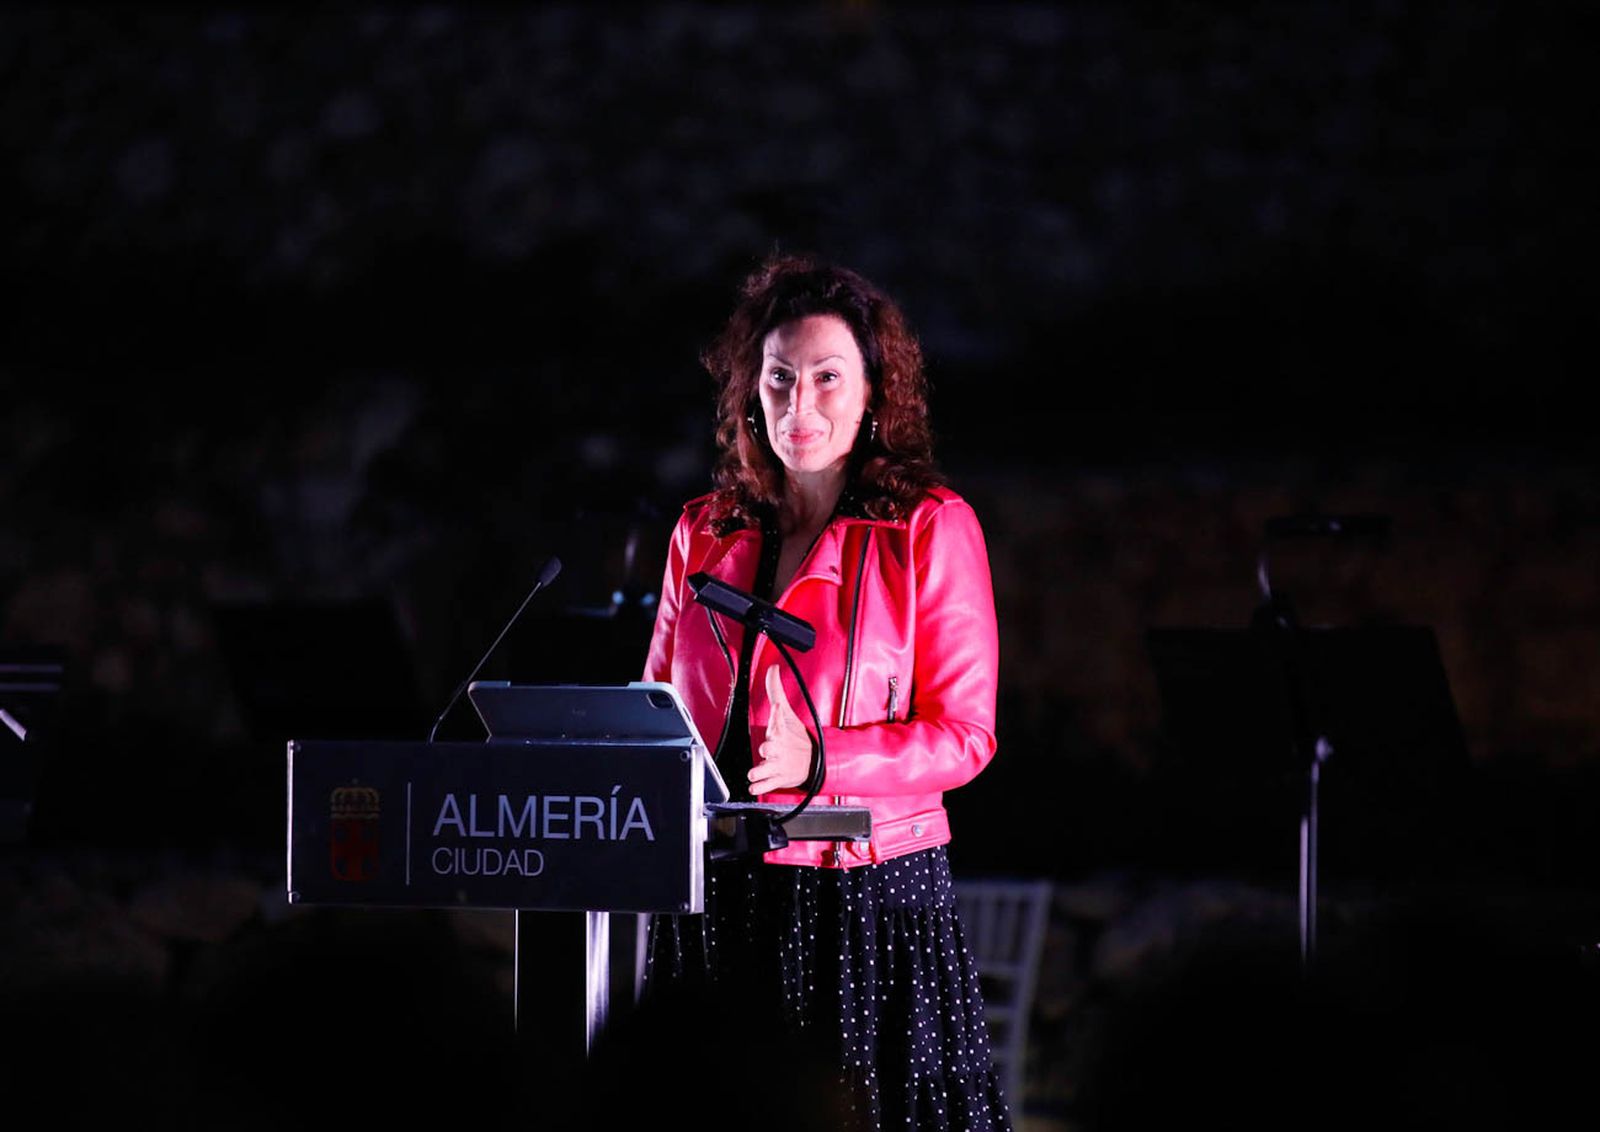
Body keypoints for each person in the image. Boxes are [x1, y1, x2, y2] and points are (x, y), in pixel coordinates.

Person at [638, 252, 1012, 1130]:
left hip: (867, 904)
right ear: (749, 393)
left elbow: (966, 734)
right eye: (778, 380)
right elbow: (657, 701)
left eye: (826, 379)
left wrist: (825, 759)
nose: (799, 407)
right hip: (717, 894)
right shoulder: (704, 530)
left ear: (876, 392)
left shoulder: (928, 528)